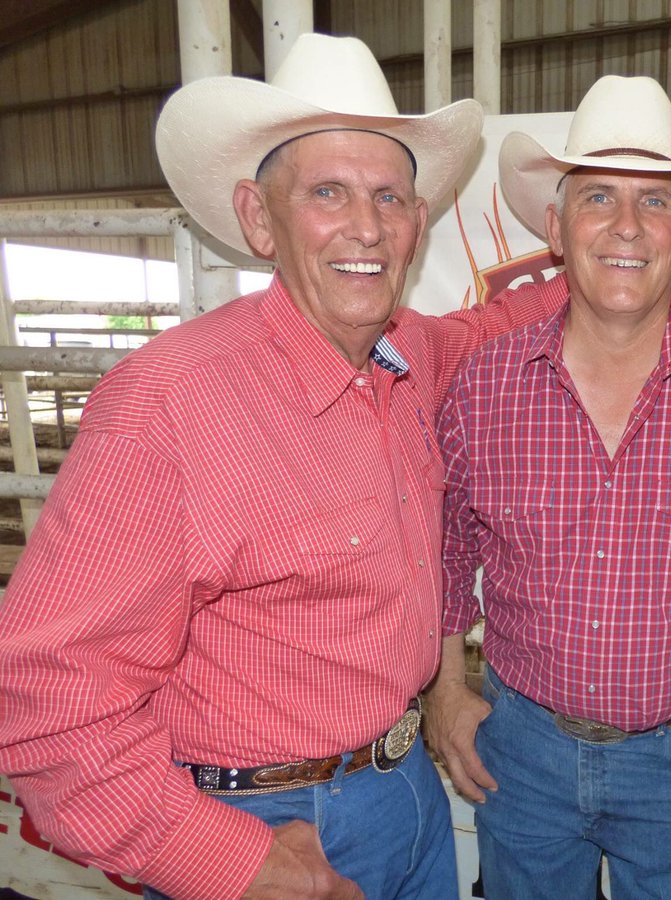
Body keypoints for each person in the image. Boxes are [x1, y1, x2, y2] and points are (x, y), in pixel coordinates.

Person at [0, 34, 563, 900]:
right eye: (327, 193)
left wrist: (606, 261)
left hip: (406, 789)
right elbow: (44, 699)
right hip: (269, 824)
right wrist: (229, 861)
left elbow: (490, 329)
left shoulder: (407, 350)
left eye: (389, 197)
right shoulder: (168, 406)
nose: (368, 227)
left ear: (416, 222)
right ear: (259, 219)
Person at [423, 75, 671, 899]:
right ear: (558, 230)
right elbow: (447, 551)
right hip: (519, 752)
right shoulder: (486, 385)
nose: (627, 227)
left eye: (656, 202)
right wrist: (447, 690)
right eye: (598, 197)